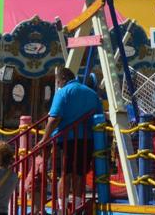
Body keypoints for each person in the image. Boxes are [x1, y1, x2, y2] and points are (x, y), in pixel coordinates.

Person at [40, 67, 99, 207]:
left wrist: (45, 138)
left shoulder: (63, 93)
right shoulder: (91, 93)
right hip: (86, 139)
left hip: (65, 140)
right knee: (79, 174)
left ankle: (62, 207)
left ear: (63, 79)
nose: (58, 84)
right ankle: (78, 206)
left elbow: (54, 119)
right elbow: (99, 116)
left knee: (64, 174)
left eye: (58, 81)